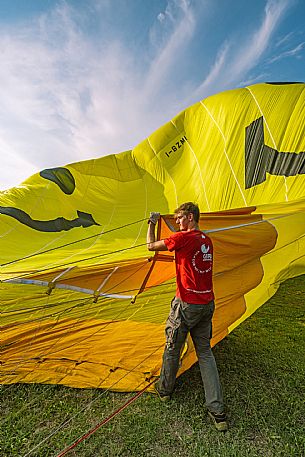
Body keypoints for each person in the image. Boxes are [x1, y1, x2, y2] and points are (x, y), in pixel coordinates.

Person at [147, 202, 228, 432]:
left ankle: (164, 390)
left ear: (190, 217)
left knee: (173, 347)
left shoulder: (182, 238)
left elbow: (150, 246)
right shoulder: (207, 240)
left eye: (179, 218)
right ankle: (218, 412)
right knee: (205, 353)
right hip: (207, 303)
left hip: (186, 305)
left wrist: (152, 223)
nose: (177, 223)